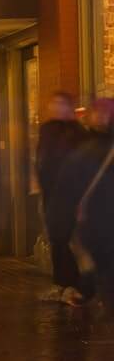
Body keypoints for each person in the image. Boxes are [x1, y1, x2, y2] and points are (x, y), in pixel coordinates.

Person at [38, 92, 90, 303]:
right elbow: (43, 160)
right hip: (51, 193)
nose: (56, 108)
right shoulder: (47, 130)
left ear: (69, 107)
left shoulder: (78, 133)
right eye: (54, 103)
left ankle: (72, 283)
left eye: (61, 104)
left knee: (66, 239)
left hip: (72, 194)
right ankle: (64, 283)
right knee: (57, 238)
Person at [69, 100, 114, 308]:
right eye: (97, 113)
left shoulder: (87, 147)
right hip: (95, 215)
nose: (101, 117)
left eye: (105, 113)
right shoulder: (84, 147)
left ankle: (92, 291)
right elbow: (71, 182)